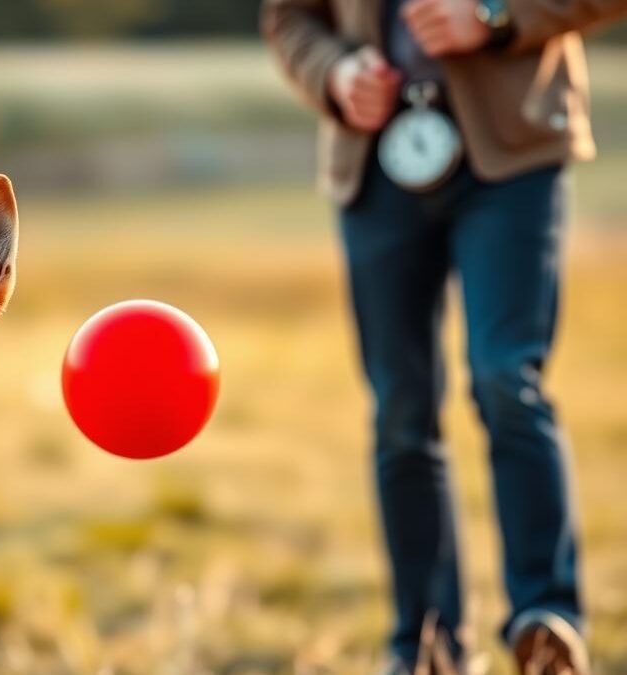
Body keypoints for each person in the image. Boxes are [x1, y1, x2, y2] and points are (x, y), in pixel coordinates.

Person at [261, 0, 627, 672]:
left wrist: (493, 13)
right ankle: (426, 645)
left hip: (513, 156)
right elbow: (290, 17)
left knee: (505, 377)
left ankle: (546, 620)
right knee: (401, 408)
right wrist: (336, 75)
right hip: (376, 164)